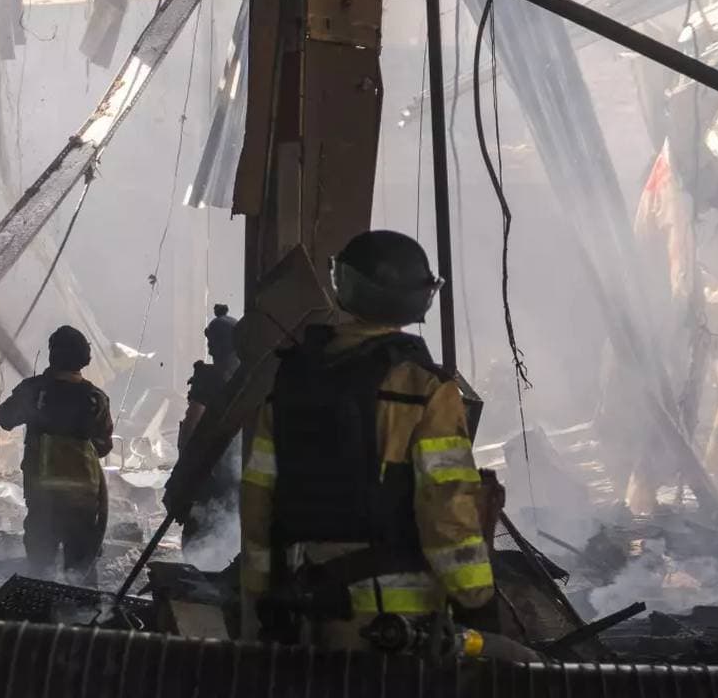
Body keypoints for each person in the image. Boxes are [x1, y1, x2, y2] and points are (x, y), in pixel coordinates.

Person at [239, 230, 497, 651]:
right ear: (419, 299)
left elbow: (257, 496)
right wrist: (477, 600)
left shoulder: (293, 381)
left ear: (344, 286)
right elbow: (446, 506)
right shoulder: (424, 389)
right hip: (397, 628)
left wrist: (259, 593)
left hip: (303, 609)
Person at [0, 326, 115, 583]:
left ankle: (39, 616)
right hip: (84, 502)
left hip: (43, 500)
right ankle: (84, 619)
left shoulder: (35, 391)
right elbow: (104, 446)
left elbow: (4, 418)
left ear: (53, 355)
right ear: (84, 358)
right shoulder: (96, 398)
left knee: (39, 571)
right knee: (82, 573)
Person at [176, 303, 241, 552]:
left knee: (200, 537)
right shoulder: (247, 376)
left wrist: (188, 465)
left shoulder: (209, 379)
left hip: (212, 474)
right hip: (231, 475)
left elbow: (191, 428)